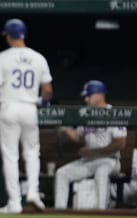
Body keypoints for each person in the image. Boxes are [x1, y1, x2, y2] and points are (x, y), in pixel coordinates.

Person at [0, 19, 53, 214]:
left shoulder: (3, 57)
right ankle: (32, 191)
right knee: (32, 153)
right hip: (30, 108)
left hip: (9, 108)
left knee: (11, 156)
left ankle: (14, 202)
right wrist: (42, 102)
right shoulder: (38, 58)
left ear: (9, 36)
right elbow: (47, 90)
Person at [54, 80, 128, 210]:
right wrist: (65, 129)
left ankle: (101, 212)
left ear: (100, 95)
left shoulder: (113, 113)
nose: (86, 99)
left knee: (101, 172)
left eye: (89, 96)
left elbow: (120, 143)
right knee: (62, 173)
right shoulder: (87, 113)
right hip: (89, 161)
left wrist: (95, 152)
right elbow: (79, 137)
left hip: (110, 161)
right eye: (85, 97)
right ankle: (59, 212)